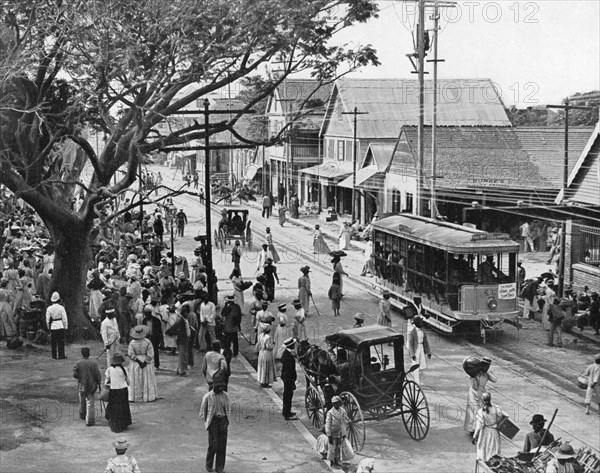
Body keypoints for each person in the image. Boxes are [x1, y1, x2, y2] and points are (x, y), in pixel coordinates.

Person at [200, 372, 231, 473]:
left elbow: (228, 409)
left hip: (223, 421)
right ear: (213, 385)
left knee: (222, 446)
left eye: (222, 386)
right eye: (218, 386)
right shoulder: (207, 397)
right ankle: (209, 466)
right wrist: (208, 422)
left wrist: (226, 420)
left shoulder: (226, 396)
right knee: (213, 445)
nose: (220, 388)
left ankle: (219, 468)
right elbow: (203, 412)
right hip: (213, 422)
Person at [464, 357, 497, 434]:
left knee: (483, 410)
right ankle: (473, 428)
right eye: (485, 365)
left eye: (488, 366)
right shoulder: (476, 372)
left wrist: (487, 372)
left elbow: (495, 380)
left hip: (482, 391)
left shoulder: (487, 373)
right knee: (474, 409)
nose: (486, 367)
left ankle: (480, 426)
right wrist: (474, 377)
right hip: (473, 392)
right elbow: (475, 387)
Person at [127, 325, 158, 402]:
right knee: (146, 378)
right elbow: (151, 353)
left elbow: (130, 354)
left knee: (136, 378)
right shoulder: (147, 341)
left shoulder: (132, 343)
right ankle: (147, 396)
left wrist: (138, 361)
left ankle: (135, 396)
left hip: (135, 363)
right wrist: (145, 361)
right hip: (145, 361)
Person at [73, 347, 102, 426]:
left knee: (82, 401)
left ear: (82, 354)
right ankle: (89, 420)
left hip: (82, 385)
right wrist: (98, 382)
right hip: (91, 385)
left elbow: (75, 375)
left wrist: (80, 377)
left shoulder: (78, 363)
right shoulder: (94, 363)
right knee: (90, 403)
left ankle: (82, 415)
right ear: (89, 354)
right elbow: (98, 375)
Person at [104, 354, 132, 433]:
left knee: (115, 408)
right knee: (123, 407)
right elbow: (128, 382)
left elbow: (106, 381)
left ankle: (115, 425)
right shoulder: (124, 369)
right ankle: (124, 424)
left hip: (114, 390)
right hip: (123, 390)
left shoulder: (109, 370)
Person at [472, 392, 504, 461]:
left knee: (484, 450)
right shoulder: (496, 409)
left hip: (485, 433)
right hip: (494, 432)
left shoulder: (481, 412)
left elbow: (478, 427)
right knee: (494, 450)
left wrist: (474, 437)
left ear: (482, 400)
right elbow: (500, 418)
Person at [325, 395, 349, 469]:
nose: (335, 404)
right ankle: (332, 462)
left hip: (340, 433)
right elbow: (328, 424)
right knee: (332, 448)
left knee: (338, 448)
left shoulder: (342, 410)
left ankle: (337, 460)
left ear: (339, 403)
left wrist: (348, 422)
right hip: (333, 433)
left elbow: (345, 419)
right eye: (334, 403)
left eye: (337, 403)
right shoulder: (330, 413)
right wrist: (329, 435)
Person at [407, 316, 431, 385]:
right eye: (420, 322)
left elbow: (426, 342)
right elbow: (410, 345)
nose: (422, 323)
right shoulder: (412, 333)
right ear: (416, 323)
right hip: (415, 350)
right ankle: (417, 384)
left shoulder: (423, 331)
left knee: (423, 366)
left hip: (421, 349)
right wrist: (412, 355)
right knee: (416, 368)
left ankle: (413, 373)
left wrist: (428, 352)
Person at [46, 291, 68, 359]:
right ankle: (61, 355)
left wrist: (48, 327)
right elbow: (64, 318)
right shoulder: (61, 308)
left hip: (53, 326)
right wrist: (65, 326)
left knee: (53, 342)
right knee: (61, 342)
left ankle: (54, 355)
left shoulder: (49, 308)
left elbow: (47, 319)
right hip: (60, 325)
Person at [280, 338, 298, 420]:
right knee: (288, 395)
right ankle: (286, 414)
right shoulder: (287, 356)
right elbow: (289, 369)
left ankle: (287, 411)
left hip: (287, 377)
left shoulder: (287, 353)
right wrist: (292, 381)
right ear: (291, 346)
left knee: (288, 395)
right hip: (288, 378)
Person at [257, 323, 277, 387]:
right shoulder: (268, 337)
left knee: (261, 366)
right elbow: (269, 346)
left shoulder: (260, 335)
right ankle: (266, 382)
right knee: (267, 367)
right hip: (267, 353)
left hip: (261, 352)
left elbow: (259, 344)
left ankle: (261, 380)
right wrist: (274, 343)